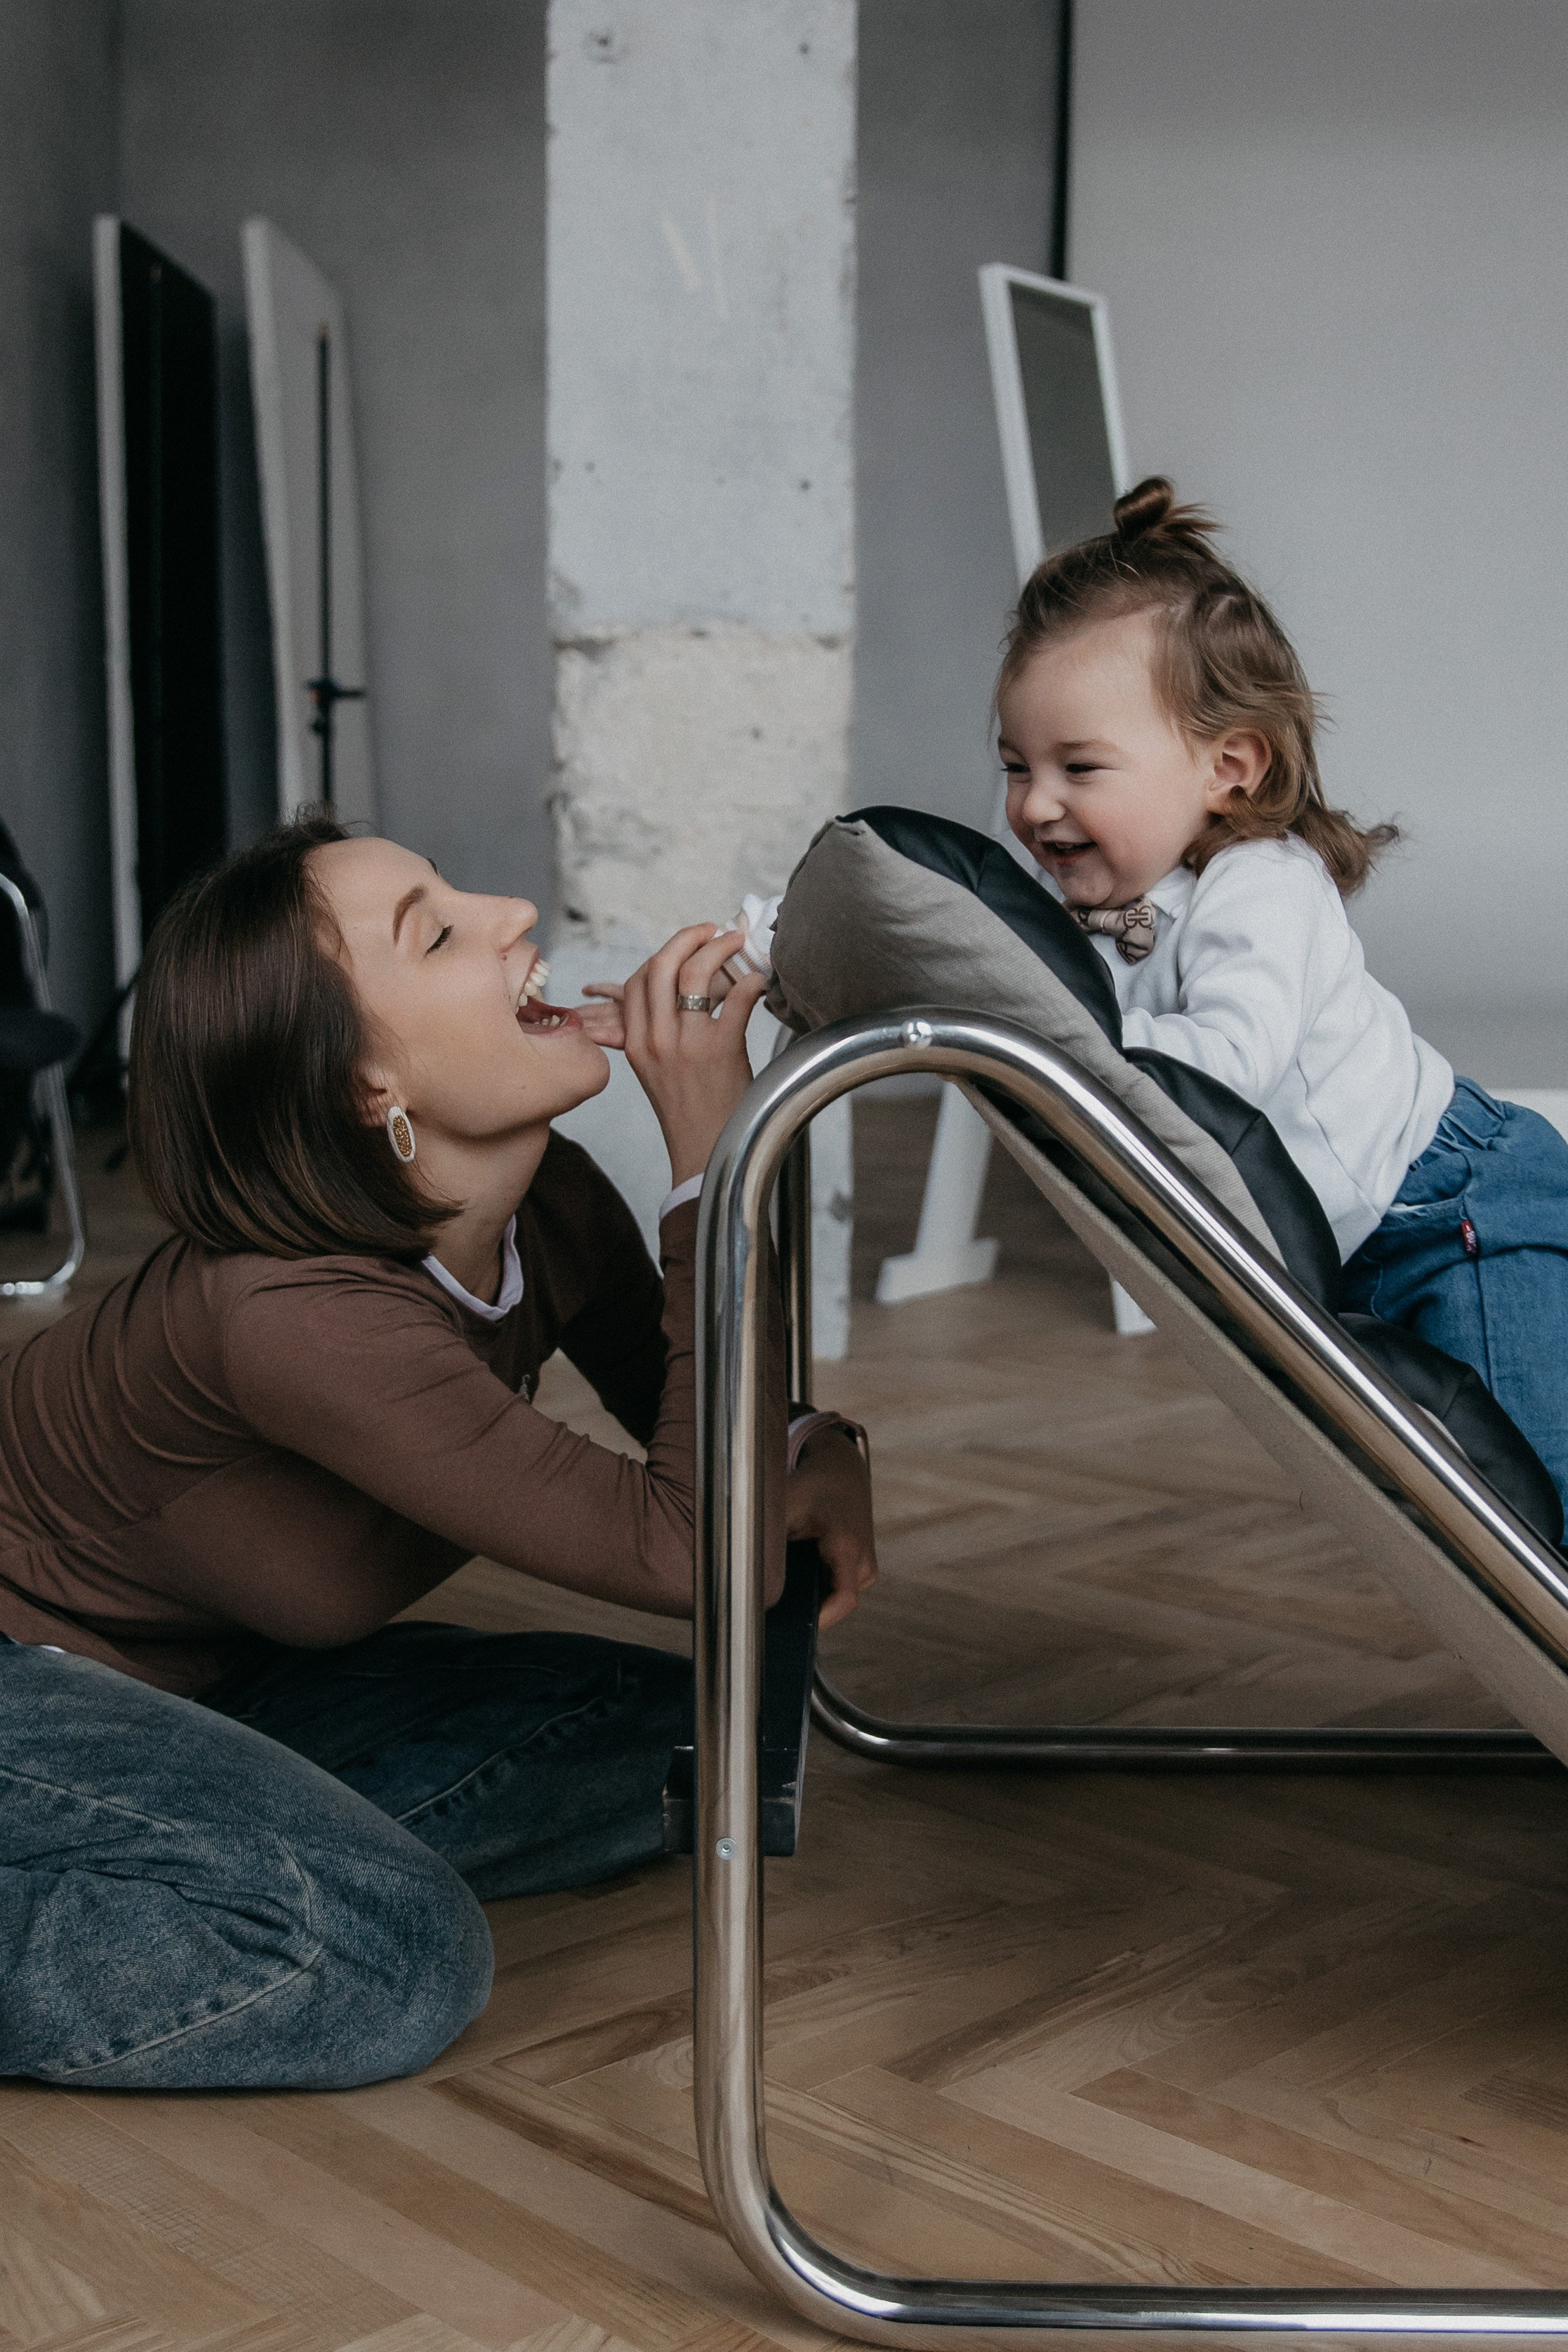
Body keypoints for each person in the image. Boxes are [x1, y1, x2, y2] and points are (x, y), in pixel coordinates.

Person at [0, 816, 876, 2091]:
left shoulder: (551, 1200)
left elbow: (702, 1431)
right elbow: (697, 1548)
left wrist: (813, 1439)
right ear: (369, 1086)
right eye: (441, 930)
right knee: (392, 1957)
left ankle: (232, 1855)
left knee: (698, 1741)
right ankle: (268, 1882)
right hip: (25, 1681)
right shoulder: (290, 1319)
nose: (514, 912)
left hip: (204, 1684)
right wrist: (712, 1154)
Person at [987, 474, 1568, 1508]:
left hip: (1450, 1205)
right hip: (1359, 1239)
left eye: (1079, 766)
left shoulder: (1264, 888)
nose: (1035, 805)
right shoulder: (1113, 905)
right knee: (1460, 1491)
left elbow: (1225, 1069)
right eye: (1015, 765)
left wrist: (1061, 1020)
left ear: (1230, 767)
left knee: (1537, 1482)